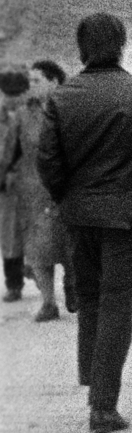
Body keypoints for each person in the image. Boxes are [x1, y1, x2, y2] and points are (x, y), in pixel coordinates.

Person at [37, 13, 132, 433]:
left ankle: (92, 381)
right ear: (120, 45)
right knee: (118, 302)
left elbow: (47, 159)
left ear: (81, 47)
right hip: (124, 216)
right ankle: (103, 405)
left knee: (90, 297)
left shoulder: (63, 97)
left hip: (79, 216)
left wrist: (66, 195)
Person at [0, 60, 77, 319]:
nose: (29, 86)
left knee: (69, 246)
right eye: (29, 81)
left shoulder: (72, 110)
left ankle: (73, 282)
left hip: (65, 189)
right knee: (36, 251)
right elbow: (9, 152)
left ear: (53, 81)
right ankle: (48, 302)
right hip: (32, 191)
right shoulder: (23, 114)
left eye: (35, 81)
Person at [1, 68, 30, 300]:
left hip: (30, 182)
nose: (11, 97)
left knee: (31, 232)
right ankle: (14, 283)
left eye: (16, 93)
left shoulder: (33, 113)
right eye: (7, 93)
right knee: (10, 236)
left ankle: (37, 271)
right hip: (6, 185)